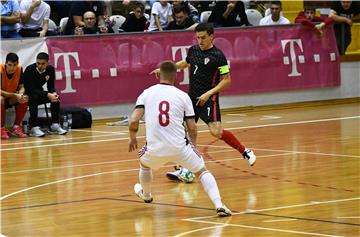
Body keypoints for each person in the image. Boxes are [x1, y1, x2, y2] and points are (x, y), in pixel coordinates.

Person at [151, 23, 256, 182]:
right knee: (185, 131)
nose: (200, 41)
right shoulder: (193, 50)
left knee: (216, 132)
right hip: (191, 98)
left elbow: (227, 80)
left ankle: (245, 151)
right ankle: (186, 168)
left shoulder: (218, 56)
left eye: (203, 38)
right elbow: (185, 63)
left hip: (208, 98)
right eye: (198, 37)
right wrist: (167, 69)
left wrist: (209, 93)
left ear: (211, 36)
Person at [129, 60, 232, 217]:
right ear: (175, 77)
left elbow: (134, 120)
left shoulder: (146, 93)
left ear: (158, 75)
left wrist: (132, 138)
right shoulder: (183, 96)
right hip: (180, 148)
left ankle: (147, 194)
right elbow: (192, 127)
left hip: (155, 149)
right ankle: (219, 205)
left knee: (144, 163)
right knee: (202, 171)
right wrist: (193, 147)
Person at [24, 52, 67, 137]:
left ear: (48, 63)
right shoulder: (30, 69)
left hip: (40, 93)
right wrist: (47, 94)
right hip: (28, 96)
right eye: (38, 63)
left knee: (56, 97)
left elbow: (50, 86)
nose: (40, 66)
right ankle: (33, 127)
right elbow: (30, 89)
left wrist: (53, 93)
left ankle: (55, 124)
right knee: (34, 97)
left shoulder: (50, 69)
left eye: (43, 64)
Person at [1, 53, 28, 139]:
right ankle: (1, 128)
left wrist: (20, 94)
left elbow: (22, 87)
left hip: (11, 97)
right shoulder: (0, 70)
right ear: (5, 63)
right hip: (2, 96)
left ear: (17, 63)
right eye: (9, 65)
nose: (12, 68)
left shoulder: (19, 69)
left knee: (25, 98)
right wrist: (15, 95)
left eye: (14, 65)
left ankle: (16, 127)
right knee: (0, 99)